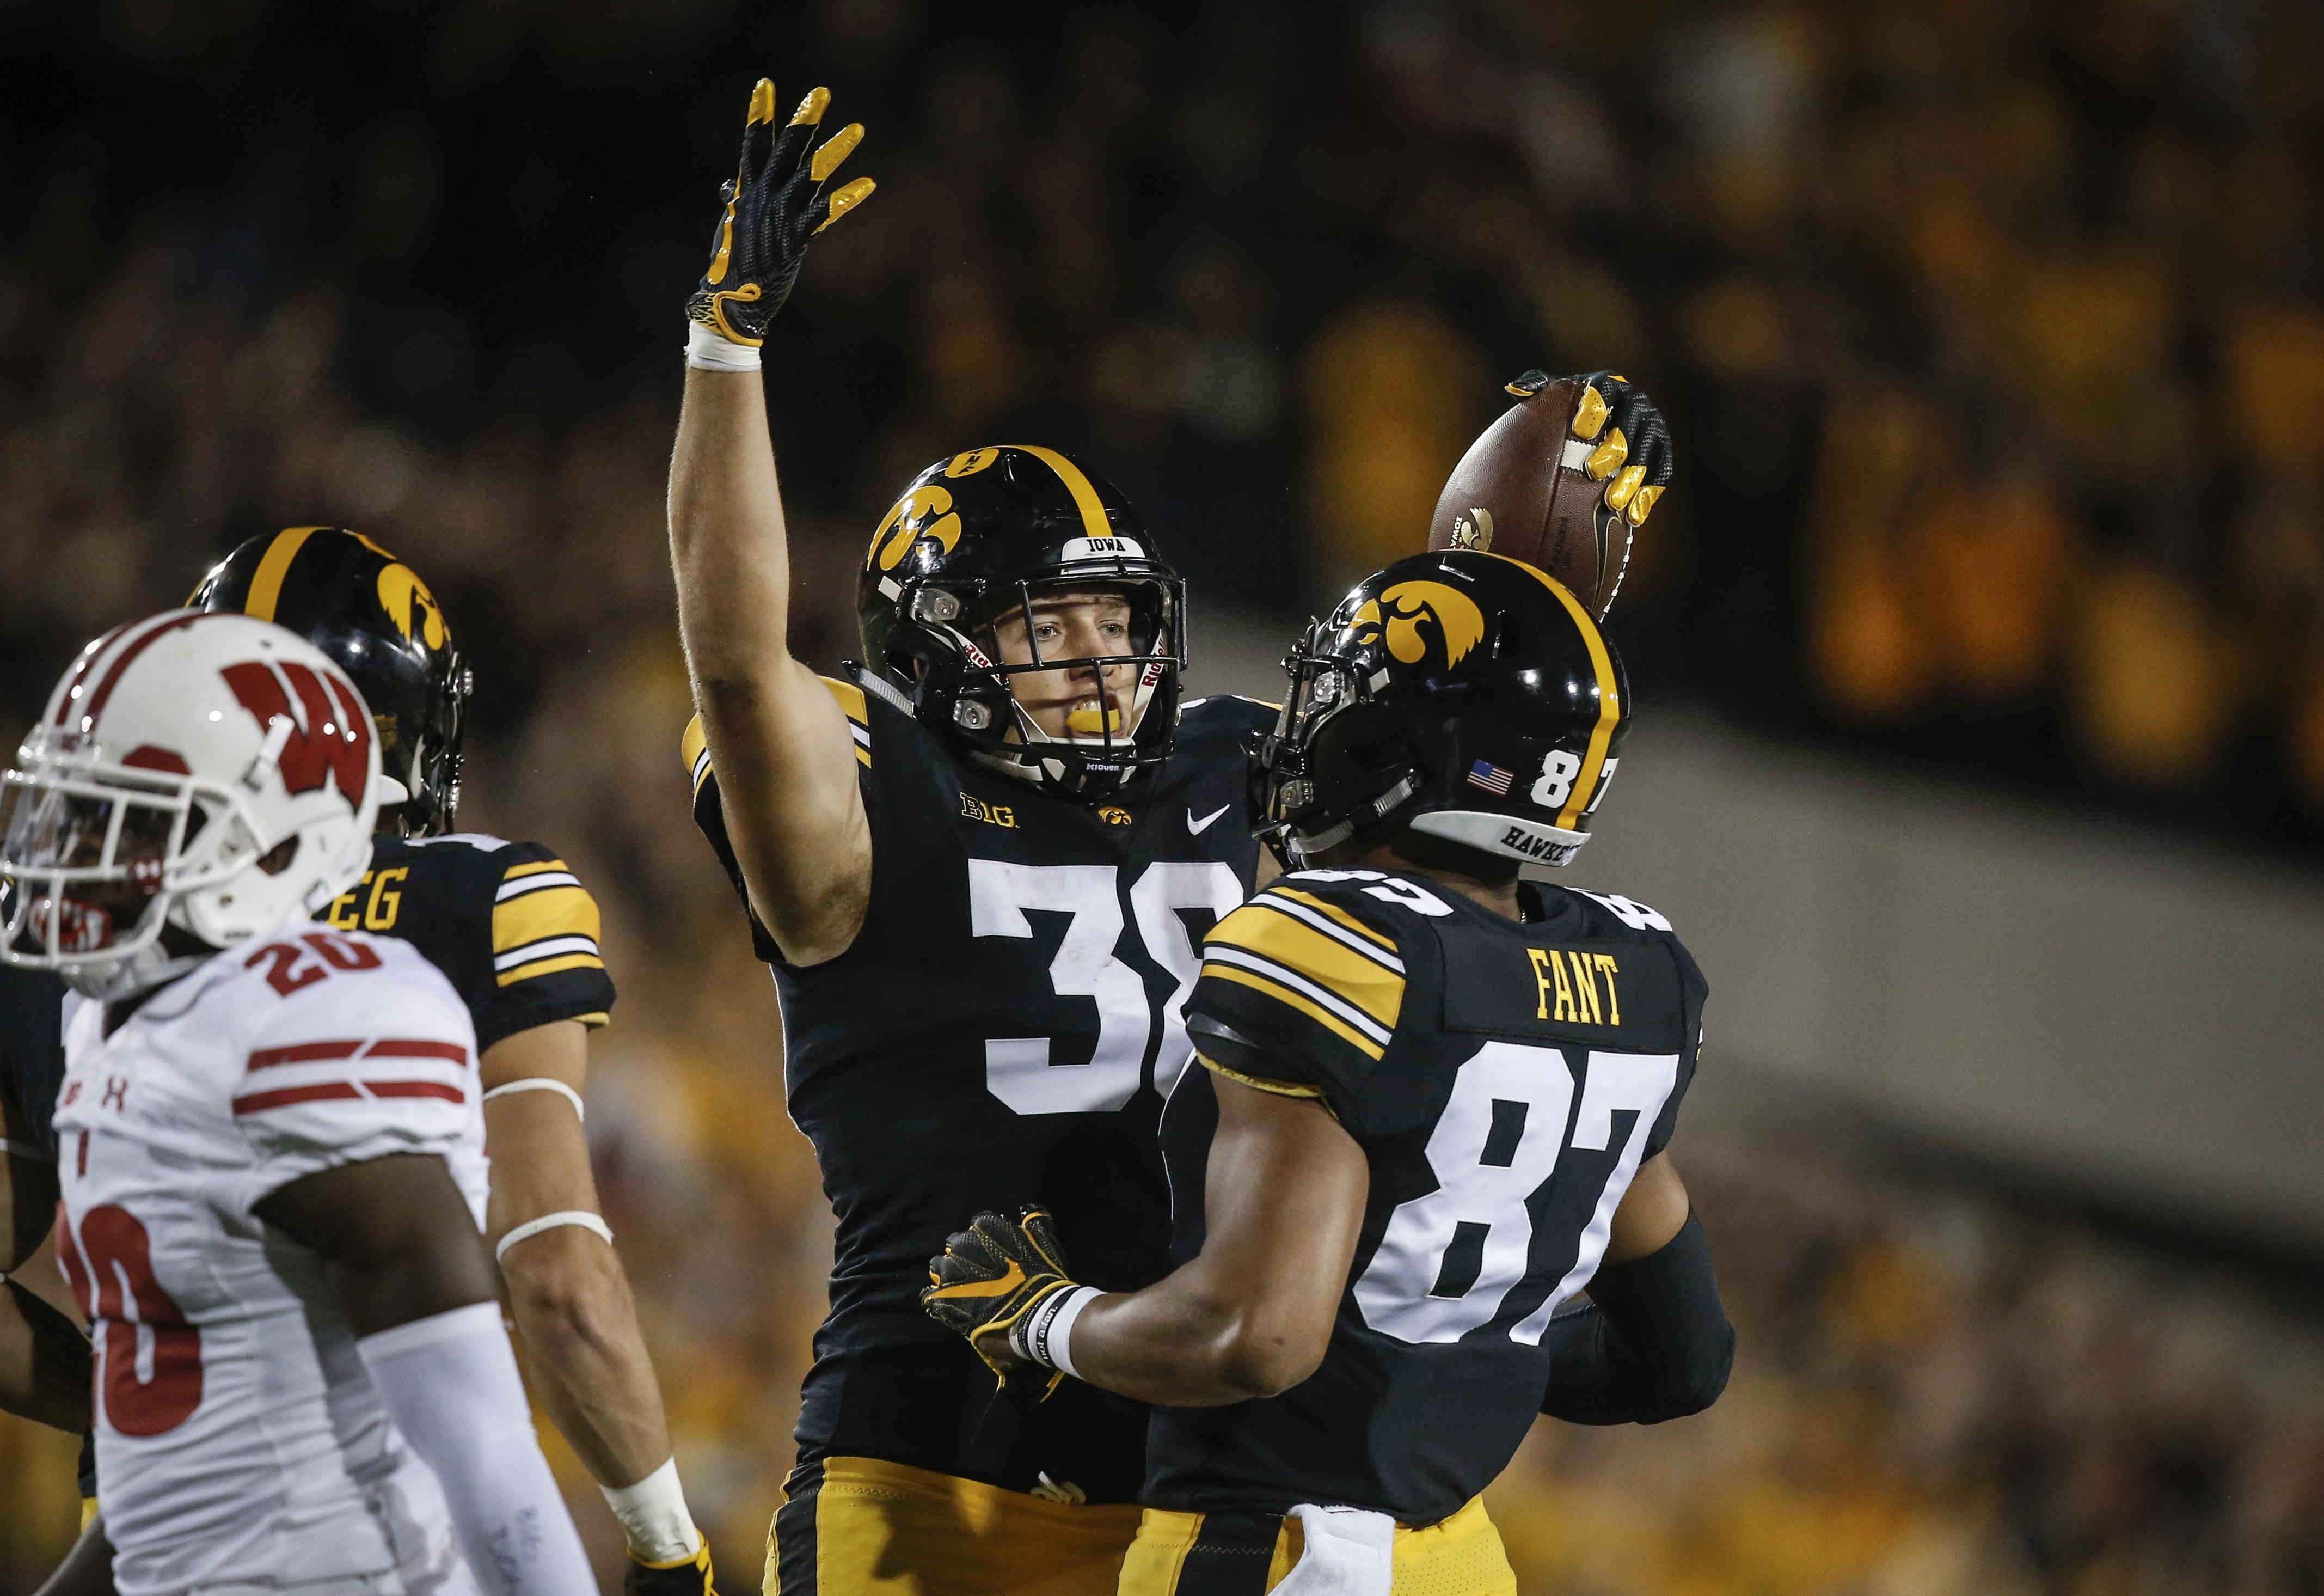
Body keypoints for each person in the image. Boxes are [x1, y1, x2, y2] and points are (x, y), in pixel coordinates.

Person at [667, 76, 1280, 1596]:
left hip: (1192, 1480)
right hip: (925, 1465)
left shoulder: (1225, 764)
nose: (1100, 663)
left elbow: (1446, 730)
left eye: (1116, 623)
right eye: (1045, 626)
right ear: (932, 649)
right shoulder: (873, 785)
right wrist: (725, 348)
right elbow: (736, 661)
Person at [924, 551, 1736, 1596]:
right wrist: (1456, 1354)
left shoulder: (1327, 943)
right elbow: (1681, 1363)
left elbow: (1254, 1337)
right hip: (1460, 1564)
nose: (1302, 733)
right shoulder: (1642, 972)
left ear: (1399, 750)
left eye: (1332, 706)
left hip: (1280, 1553)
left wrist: (1040, 1318)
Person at [1, 608, 593, 1595]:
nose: (79, 848)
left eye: (136, 818)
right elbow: (169, 1493)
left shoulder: (317, 1021)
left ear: (278, 844)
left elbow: (480, 1438)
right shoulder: (112, 1026)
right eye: (78, 807)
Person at [189, 525, 716, 1592]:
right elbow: (556, 1277)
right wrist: (667, 1542)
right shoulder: (477, 897)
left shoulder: (91, 923)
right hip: (382, 1523)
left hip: (154, 1515)